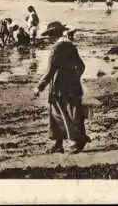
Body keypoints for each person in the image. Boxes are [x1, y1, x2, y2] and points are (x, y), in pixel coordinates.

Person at [33, 25, 90, 154]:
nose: (48, 39)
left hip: (59, 88)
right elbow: (81, 66)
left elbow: (50, 71)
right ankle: (60, 143)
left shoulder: (56, 49)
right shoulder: (70, 46)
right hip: (72, 86)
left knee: (57, 114)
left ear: (54, 36)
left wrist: (39, 87)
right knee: (73, 112)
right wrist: (74, 79)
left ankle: (76, 140)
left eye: (49, 37)